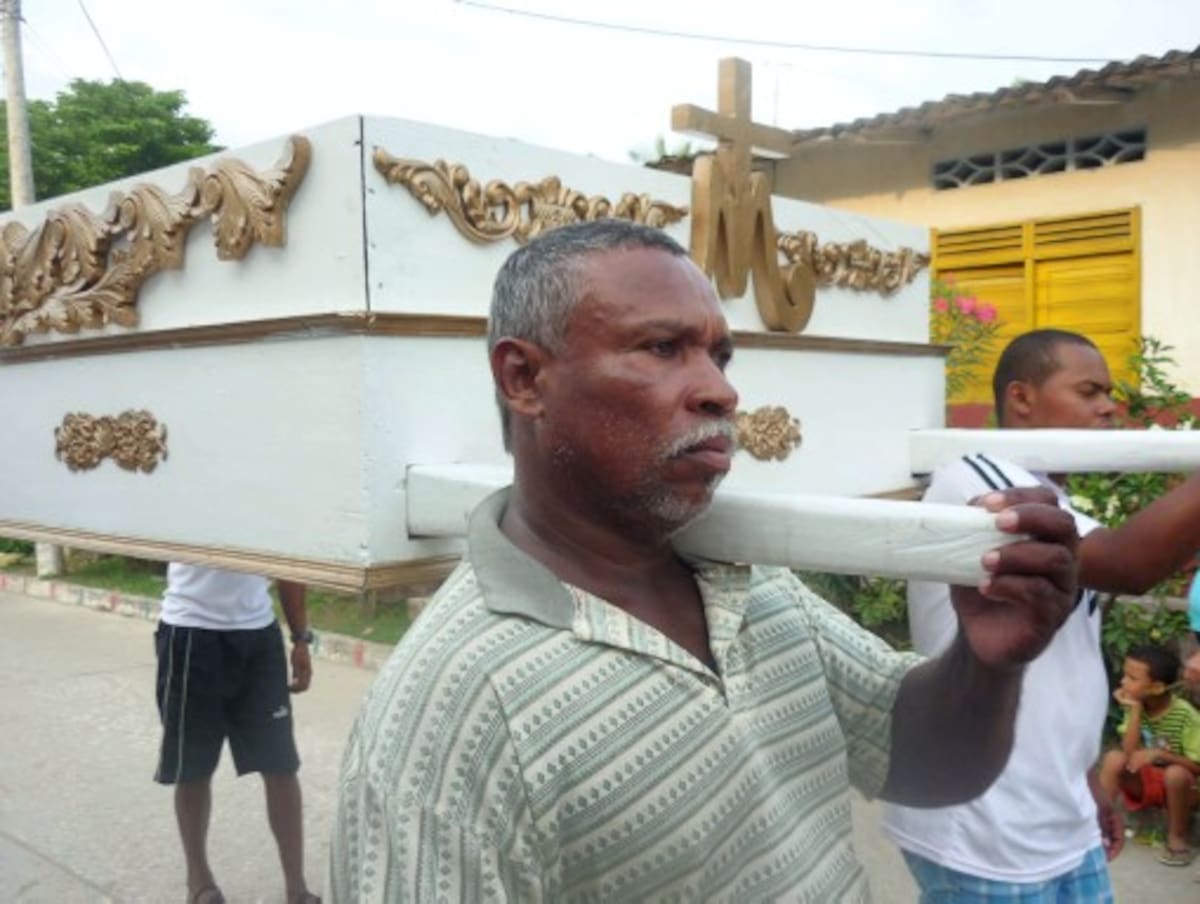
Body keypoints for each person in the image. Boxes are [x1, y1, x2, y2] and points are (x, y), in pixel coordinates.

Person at [328, 220, 1080, 902]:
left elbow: (919, 767)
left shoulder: (747, 580)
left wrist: (989, 666)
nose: (721, 390)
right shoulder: (446, 720)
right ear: (524, 379)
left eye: (718, 355)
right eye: (662, 348)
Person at [884, 328, 1200, 900]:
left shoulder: (1054, 496)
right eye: (1089, 391)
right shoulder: (979, 478)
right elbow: (1129, 564)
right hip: (982, 824)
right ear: (1022, 399)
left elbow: (1062, 666)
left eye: (1109, 395)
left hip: (1057, 812)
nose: (1107, 407)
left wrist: (1082, 783)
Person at [155, 562, 320, 904]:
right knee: (193, 766)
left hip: (258, 636)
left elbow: (290, 558)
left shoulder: (275, 504)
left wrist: (301, 639)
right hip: (190, 632)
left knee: (281, 765)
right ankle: (199, 883)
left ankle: (297, 889)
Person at [1099, 644, 1200, 866]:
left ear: (1155, 688)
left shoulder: (1186, 715)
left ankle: (1177, 841)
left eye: (1132, 678)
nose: (1123, 682)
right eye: (1124, 675)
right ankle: (1098, 826)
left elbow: (1196, 767)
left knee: (1175, 774)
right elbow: (1128, 753)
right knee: (1114, 758)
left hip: (1184, 790)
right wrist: (1134, 710)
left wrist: (1160, 755)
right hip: (1147, 783)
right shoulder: (1136, 706)